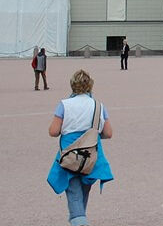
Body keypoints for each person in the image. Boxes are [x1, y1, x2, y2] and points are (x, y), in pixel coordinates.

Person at [47, 69, 114, 226]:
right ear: (90, 85)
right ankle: (78, 219)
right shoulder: (98, 106)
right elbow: (108, 133)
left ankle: (79, 221)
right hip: (90, 157)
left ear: (73, 85)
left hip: (70, 156)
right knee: (82, 195)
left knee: (74, 195)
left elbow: (53, 131)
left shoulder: (64, 105)